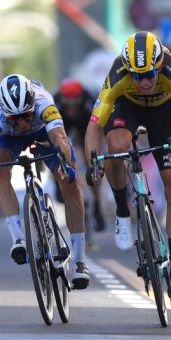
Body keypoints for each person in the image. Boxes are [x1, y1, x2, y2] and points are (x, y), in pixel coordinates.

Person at [84, 31, 171, 305]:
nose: (143, 82)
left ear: (159, 66)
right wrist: (94, 160)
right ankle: (122, 210)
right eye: (136, 76)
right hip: (126, 108)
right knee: (116, 146)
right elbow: (94, 124)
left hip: (163, 113)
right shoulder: (118, 73)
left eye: (149, 75)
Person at [0, 73, 90, 289]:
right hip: (8, 139)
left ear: (32, 106)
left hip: (43, 133)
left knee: (70, 184)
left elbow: (59, 137)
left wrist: (66, 166)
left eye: (26, 116)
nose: (21, 123)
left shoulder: (43, 100)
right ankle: (18, 238)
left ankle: (79, 260)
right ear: (4, 113)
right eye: (14, 119)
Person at [54, 79, 106, 251]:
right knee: (60, 152)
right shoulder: (56, 103)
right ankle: (61, 182)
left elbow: (98, 130)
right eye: (68, 105)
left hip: (86, 125)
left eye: (75, 105)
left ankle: (96, 203)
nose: (72, 109)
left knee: (92, 163)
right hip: (64, 126)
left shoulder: (88, 100)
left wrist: (93, 159)